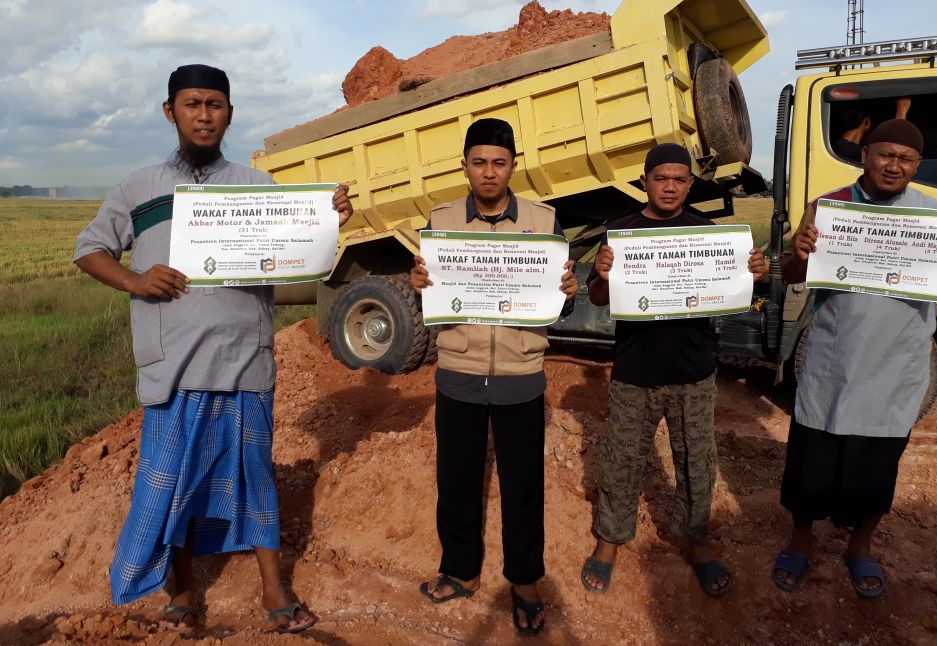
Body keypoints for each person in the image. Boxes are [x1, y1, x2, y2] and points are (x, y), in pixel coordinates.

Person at [74, 64, 354, 635]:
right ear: (170, 111)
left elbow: (300, 264)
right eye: (193, 104)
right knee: (173, 477)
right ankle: (181, 590)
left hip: (243, 359)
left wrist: (325, 224)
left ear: (230, 113)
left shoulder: (257, 187)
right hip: (172, 365)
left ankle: (274, 589)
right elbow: (90, 249)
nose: (204, 115)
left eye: (216, 105)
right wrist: (134, 279)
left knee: (253, 475)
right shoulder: (140, 186)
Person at [771, 119, 937, 598]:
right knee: (811, 467)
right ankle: (800, 541)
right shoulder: (829, 208)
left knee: (876, 470)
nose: (894, 165)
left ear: (917, 166)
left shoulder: (934, 217)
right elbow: (789, 275)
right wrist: (801, 253)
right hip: (834, 359)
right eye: (885, 154)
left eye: (905, 159)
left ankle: (859, 547)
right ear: (864, 155)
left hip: (895, 366)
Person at [409, 117, 577, 638]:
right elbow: (432, 301)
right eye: (478, 162)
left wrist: (566, 293)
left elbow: (559, 310)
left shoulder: (544, 223)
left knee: (523, 486)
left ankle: (524, 582)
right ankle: (459, 568)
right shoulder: (439, 223)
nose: (488, 172)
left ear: (513, 167)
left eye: (499, 162)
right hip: (458, 371)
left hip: (520, 374)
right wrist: (418, 285)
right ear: (464, 166)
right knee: (457, 480)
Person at [579, 143, 769, 598]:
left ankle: (696, 540)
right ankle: (609, 540)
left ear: (690, 184)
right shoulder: (621, 233)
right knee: (623, 460)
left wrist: (753, 273)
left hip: (694, 371)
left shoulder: (709, 235)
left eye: (679, 179)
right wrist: (602, 274)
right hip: (633, 371)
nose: (669, 186)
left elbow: (736, 289)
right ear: (644, 181)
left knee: (695, 461)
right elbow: (601, 300)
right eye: (660, 178)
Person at [833, 97, 911, 162]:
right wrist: (901, 112)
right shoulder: (851, 151)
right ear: (866, 120)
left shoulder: (837, 146)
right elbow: (895, 149)